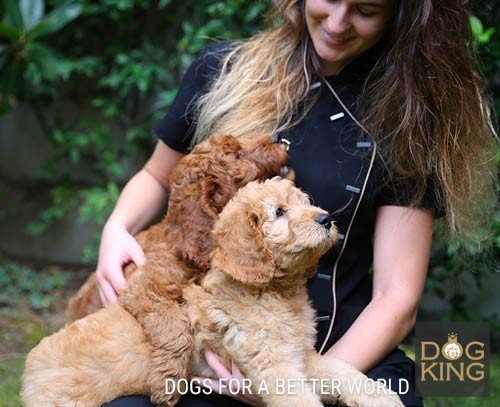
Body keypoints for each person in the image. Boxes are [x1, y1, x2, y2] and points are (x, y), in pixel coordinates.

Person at [99, 1, 497, 406]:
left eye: (366, 9)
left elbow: (397, 298)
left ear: (400, 14)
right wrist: (116, 229)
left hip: (341, 348)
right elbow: (155, 177)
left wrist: (295, 384)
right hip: (217, 355)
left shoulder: (408, 114)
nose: (339, 23)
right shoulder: (221, 69)